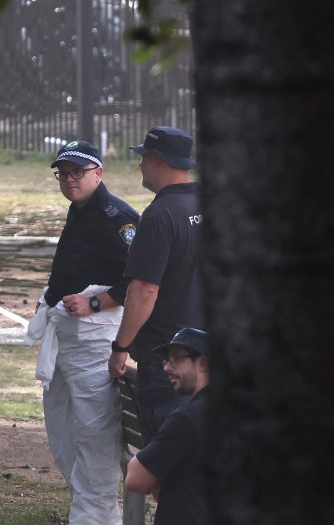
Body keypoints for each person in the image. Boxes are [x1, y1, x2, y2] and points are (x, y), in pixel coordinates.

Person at [25, 141, 139, 525]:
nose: (70, 180)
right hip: (67, 337)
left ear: (98, 174)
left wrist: (94, 304)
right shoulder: (80, 210)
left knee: (94, 438)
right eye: (64, 173)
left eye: (78, 172)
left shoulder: (116, 217)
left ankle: (94, 517)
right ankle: (90, 512)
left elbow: (138, 283)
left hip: (94, 339)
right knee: (64, 432)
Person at [109, 126, 204, 445]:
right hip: (210, 356)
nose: (139, 166)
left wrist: (120, 347)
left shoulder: (160, 215)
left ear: (158, 160)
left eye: (143, 158)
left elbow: (144, 291)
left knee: (168, 458)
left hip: (168, 359)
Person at [125, 327, 211, 525]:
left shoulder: (188, 418)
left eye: (177, 359)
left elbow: (135, 479)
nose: (167, 368)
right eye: (166, 361)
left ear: (203, 363)